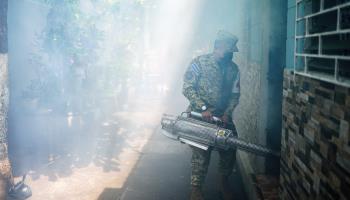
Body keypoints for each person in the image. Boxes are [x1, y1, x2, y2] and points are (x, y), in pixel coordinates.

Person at [182, 30, 240, 200]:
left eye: (232, 51)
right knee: (201, 153)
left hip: (222, 118)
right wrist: (203, 107)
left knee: (230, 148)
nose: (230, 53)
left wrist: (228, 114)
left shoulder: (233, 68)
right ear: (218, 46)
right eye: (228, 49)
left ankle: (224, 184)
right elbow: (187, 88)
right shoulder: (199, 62)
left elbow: (235, 94)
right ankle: (196, 189)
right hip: (200, 116)